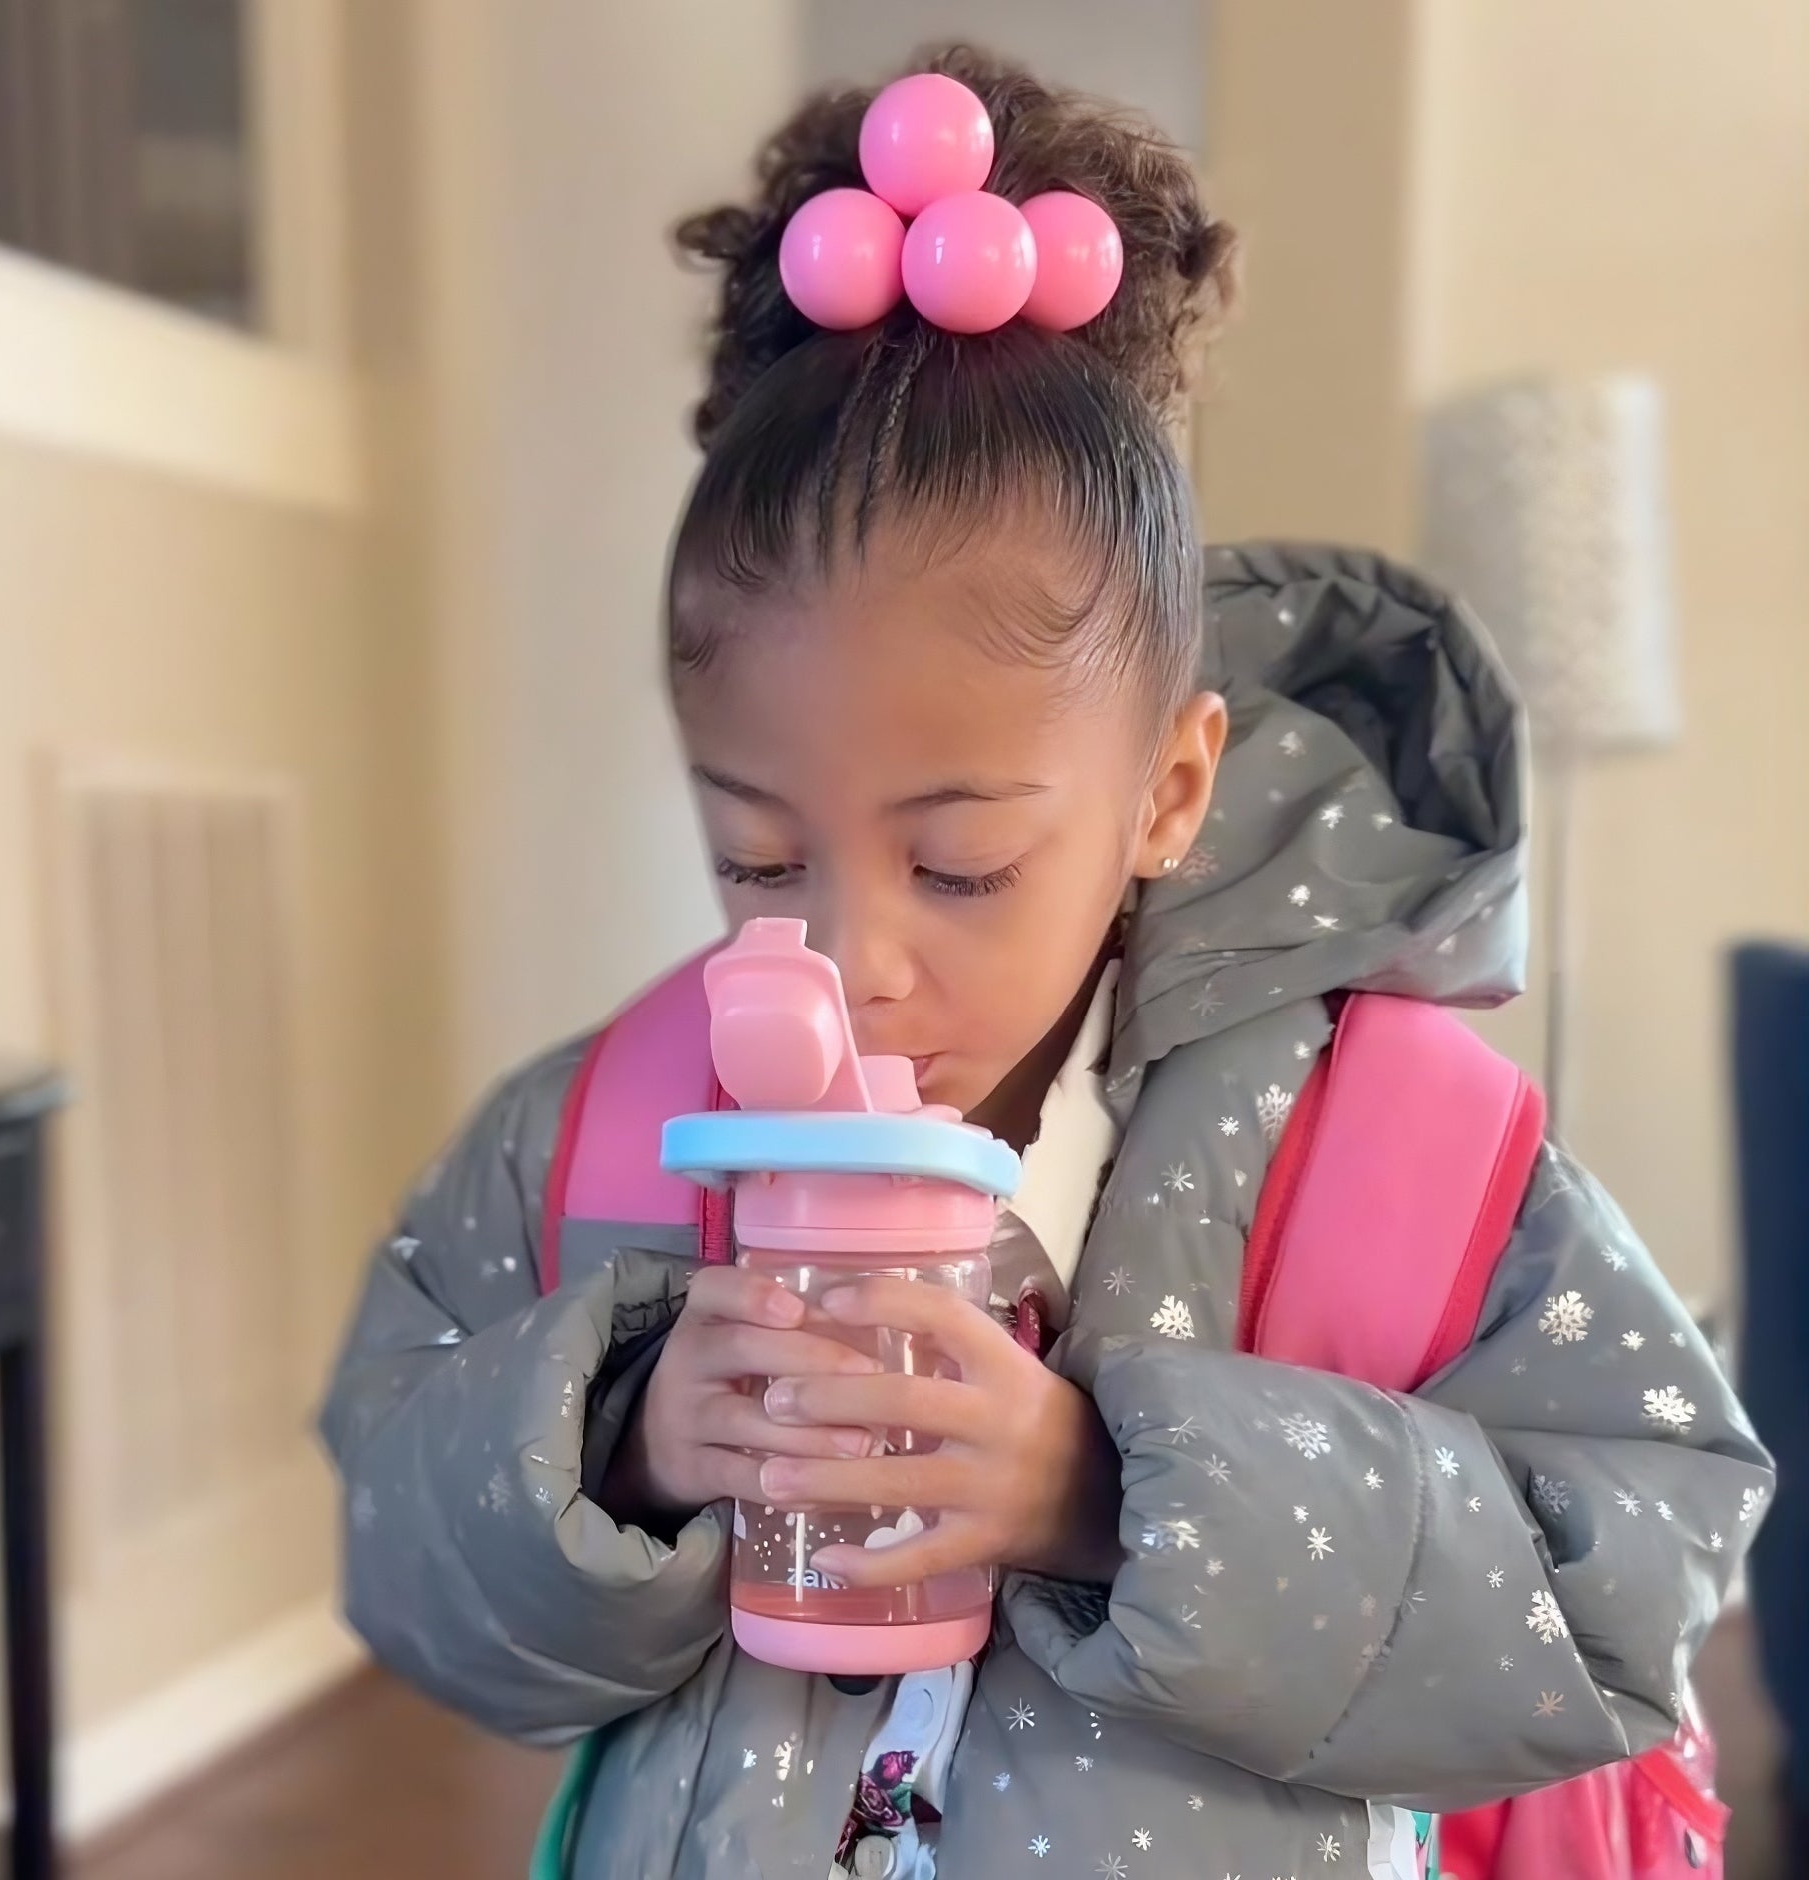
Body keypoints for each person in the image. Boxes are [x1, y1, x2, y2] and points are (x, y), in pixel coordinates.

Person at [321, 48, 1771, 1880]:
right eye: (758, 855)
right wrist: (617, 1445)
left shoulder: (1387, 1153)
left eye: (960, 863)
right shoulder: (603, 1136)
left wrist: (1114, 1492)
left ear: (1168, 789)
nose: (850, 958)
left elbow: (1637, 1570)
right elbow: (402, 1536)